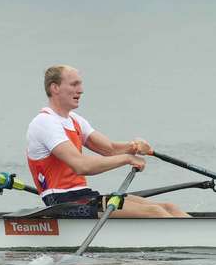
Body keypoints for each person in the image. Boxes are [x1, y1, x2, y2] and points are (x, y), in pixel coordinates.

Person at [26, 65, 189, 218]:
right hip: (61, 203)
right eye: (74, 85)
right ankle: (188, 241)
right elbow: (81, 165)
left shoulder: (74, 120)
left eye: (80, 85)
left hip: (83, 196)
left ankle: (205, 239)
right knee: (153, 211)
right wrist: (127, 159)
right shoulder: (45, 123)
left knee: (169, 207)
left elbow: (110, 149)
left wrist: (134, 146)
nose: (81, 90)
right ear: (55, 88)